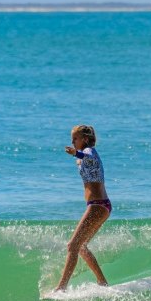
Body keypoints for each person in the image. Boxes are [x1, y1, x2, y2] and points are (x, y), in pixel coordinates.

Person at [55, 125, 112, 291]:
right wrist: (77, 156)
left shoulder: (90, 152)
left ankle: (62, 287)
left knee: (72, 246)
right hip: (99, 205)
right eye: (72, 140)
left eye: (75, 139)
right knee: (80, 247)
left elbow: (87, 156)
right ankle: (102, 282)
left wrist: (76, 154)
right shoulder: (83, 156)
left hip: (98, 205)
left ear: (85, 139)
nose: (73, 142)